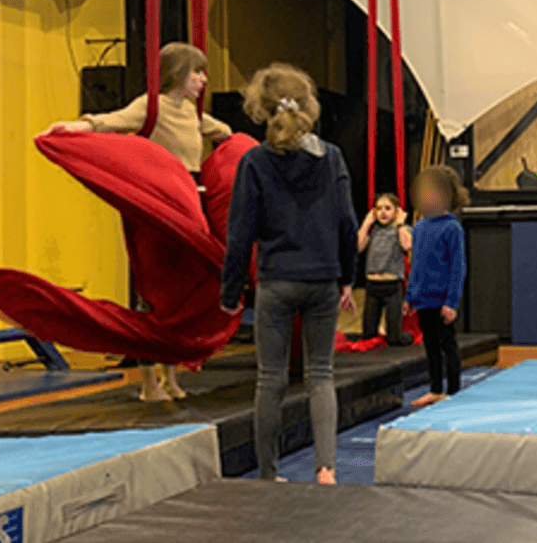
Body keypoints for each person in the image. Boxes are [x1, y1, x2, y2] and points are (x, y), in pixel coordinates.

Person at [50, 42, 232, 401]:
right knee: (153, 290)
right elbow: (114, 121)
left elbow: (223, 131)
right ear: (178, 73)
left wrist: (229, 148)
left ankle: (171, 375)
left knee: (181, 291)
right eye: (197, 72)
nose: (203, 79)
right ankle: (149, 382)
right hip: (158, 203)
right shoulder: (151, 107)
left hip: (189, 201)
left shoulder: (194, 115)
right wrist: (77, 126)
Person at [219, 63, 357, 484]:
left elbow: (240, 232)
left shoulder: (256, 162)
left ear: (260, 110)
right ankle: (327, 468)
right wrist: (347, 277)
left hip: (277, 280)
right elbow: (347, 223)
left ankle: (268, 472)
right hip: (322, 278)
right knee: (321, 374)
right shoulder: (330, 157)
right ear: (309, 106)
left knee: (270, 379)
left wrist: (230, 294)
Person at [403, 166, 468, 408]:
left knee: (447, 345)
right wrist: (410, 296)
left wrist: (451, 302)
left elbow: (457, 268)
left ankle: (452, 391)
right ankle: (434, 389)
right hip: (423, 298)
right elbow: (416, 264)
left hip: (442, 300)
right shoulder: (419, 228)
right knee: (430, 346)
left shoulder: (452, 228)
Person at [357, 193, 413, 346]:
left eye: (387, 208)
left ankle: (410, 337)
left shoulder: (402, 229)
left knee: (394, 338)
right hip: (372, 287)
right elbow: (358, 247)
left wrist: (401, 223)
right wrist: (366, 223)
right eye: (379, 208)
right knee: (368, 336)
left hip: (392, 286)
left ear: (396, 211)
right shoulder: (373, 230)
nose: (383, 212)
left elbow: (407, 245)